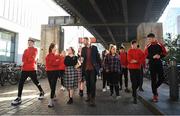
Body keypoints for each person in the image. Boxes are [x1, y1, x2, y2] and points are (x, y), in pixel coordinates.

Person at [11, 38, 44, 106]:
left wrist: (26, 60)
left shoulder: (35, 50)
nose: (29, 43)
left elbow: (32, 58)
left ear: (33, 43)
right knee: (20, 83)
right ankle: (19, 97)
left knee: (36, 82)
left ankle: (41, 91)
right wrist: (26, 60)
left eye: (30, 42)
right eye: (28, 42)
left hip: (32, 69)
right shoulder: (25, 50)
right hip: (25, 69)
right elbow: (23, 58)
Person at [144, 33, 167, 102]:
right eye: (148, 39)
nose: (149, 40)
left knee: (162, 78)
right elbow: (145, 55)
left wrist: (160, 56)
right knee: (153, 79)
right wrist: (152, 57)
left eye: (150, 39)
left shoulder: (160, 44)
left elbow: (165, 53)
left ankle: (154, 88)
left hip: (159, 63)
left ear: (154, 38)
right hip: (152, 64)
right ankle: (155, 95)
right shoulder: (148, 46)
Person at [81, 37, 101, 106]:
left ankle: (93, 98)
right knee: (88, 84)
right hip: (86, 69)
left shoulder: (94, 48)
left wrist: (99, 67)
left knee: (93, 83)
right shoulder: (83, 49)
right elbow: (82, 59)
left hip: (93, 69)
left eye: (85, 41)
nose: (84, 42)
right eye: (83, 41)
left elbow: (98, 58)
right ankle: (88, 96)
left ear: (88, 41)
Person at [46, 43, 60, 108]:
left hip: (55, 72)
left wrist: (57, 61)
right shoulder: (48, 56)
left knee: (53, 85)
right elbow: (52, 63)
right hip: (49, 72)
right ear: (52, 48)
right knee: (51, 86)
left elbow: (57, 62)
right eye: (55, 47)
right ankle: (53, 95)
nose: (56, 48)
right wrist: (57, 61)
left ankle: (50, 101)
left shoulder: (56, 55)